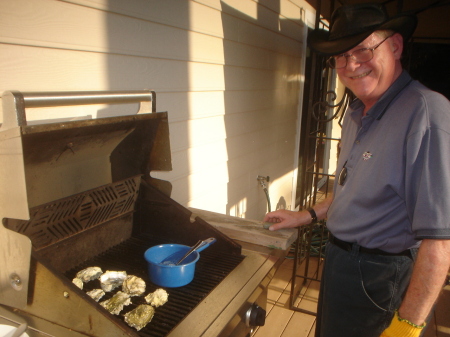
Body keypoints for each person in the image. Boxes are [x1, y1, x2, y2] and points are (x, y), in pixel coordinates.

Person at [264, 3, 450, 337]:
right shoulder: (356, 112)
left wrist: (407, 327)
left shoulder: (425, 112)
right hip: (340, 263)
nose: (351, 65)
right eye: (340, 55)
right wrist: (304, 215)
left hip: (379, 277)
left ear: (394, 46)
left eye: (363, 50)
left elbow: (440, 242)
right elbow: (352, 192)